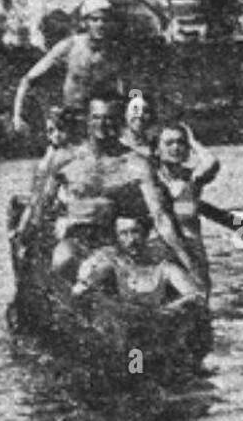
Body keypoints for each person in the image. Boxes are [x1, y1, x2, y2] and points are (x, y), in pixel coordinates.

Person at [41, 96, 199, 287]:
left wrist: (190, 266)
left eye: (109, 118)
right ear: (88, 120)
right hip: (74, 237)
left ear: (120, 121)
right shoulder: (64, 158)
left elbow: (161, 218)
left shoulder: (136, 163)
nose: (102, 124)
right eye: (97, 118)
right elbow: (40, 209)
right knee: (63, 259)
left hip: (115, 241)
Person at [11, 0, 118, 133]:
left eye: (105, 20)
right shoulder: (70, 45)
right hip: (68, 122)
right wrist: (17, 116)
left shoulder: (113, 52)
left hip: (98, 124)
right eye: (94, 19)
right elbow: (27, 80)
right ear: (84, 23)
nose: (100, 24)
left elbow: (127, 89)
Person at [71, 215, 206, 312]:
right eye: (124, 233)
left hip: (157, 324)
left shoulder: (162, 266)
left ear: (145, 234)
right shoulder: (113, 260)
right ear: (117, 237)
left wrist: (169, 308)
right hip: (123, 319)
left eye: (135, 232)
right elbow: (85, 282)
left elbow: (196, 295)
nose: (131, 239)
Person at [156, 123, 220, 289]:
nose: (176, 147)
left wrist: (193, 141)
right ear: (157, 148)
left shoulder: (192, 178)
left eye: (181, 142)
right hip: (163, 255)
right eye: (169, 143)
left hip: (194, 252)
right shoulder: (150, 181)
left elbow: (212, 162)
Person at [11, 105, 78, 254]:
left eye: (61, 129)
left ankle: (25, 237)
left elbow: (44, 197)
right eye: (51, 131)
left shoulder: (69, 155)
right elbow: (39, 196)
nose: (56, 135)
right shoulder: (50, 157)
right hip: (49, 206)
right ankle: (24, 238)